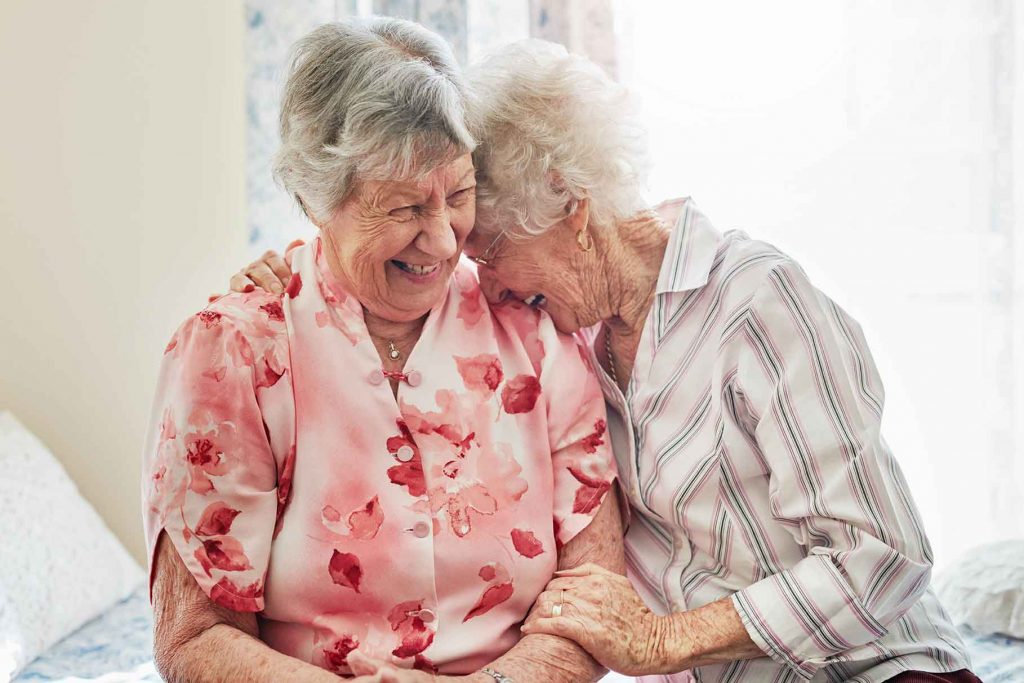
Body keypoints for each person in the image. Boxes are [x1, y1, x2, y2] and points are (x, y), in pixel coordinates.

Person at [238, 38, 979, 682]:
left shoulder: (756, 300)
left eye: (489, 249)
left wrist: (664, 639)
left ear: (570, 206)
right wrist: (300, 280)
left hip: (873, 668)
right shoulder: (561, 339)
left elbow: (884, 555)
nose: (482, 280)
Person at [143, 21, 623, 683]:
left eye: (457, 196)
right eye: (403, 208)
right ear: (319, 200)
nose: (440, 239)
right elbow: (195, 636)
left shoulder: (532, 331)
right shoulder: (236, 353)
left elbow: (595, 592)